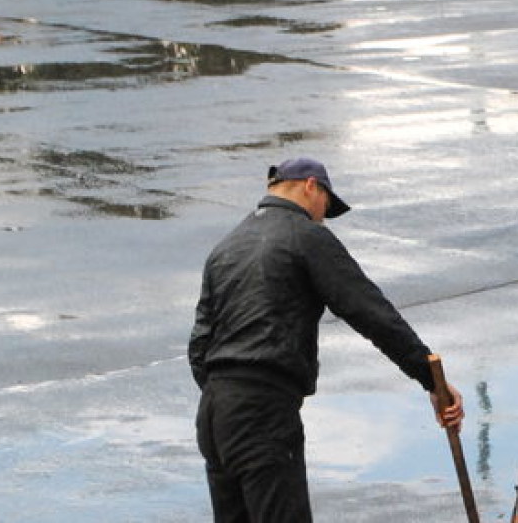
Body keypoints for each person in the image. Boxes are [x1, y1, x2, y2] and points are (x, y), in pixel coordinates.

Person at [189, 158, 464, 522]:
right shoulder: (306, 236)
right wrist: (431, 377)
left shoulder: (225, 247)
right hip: (263, 409)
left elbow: (199, 347)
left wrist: (227, 395)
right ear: (309, 186)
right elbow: (370, 312)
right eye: (325, 206)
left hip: (214, 415)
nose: (322, 216)